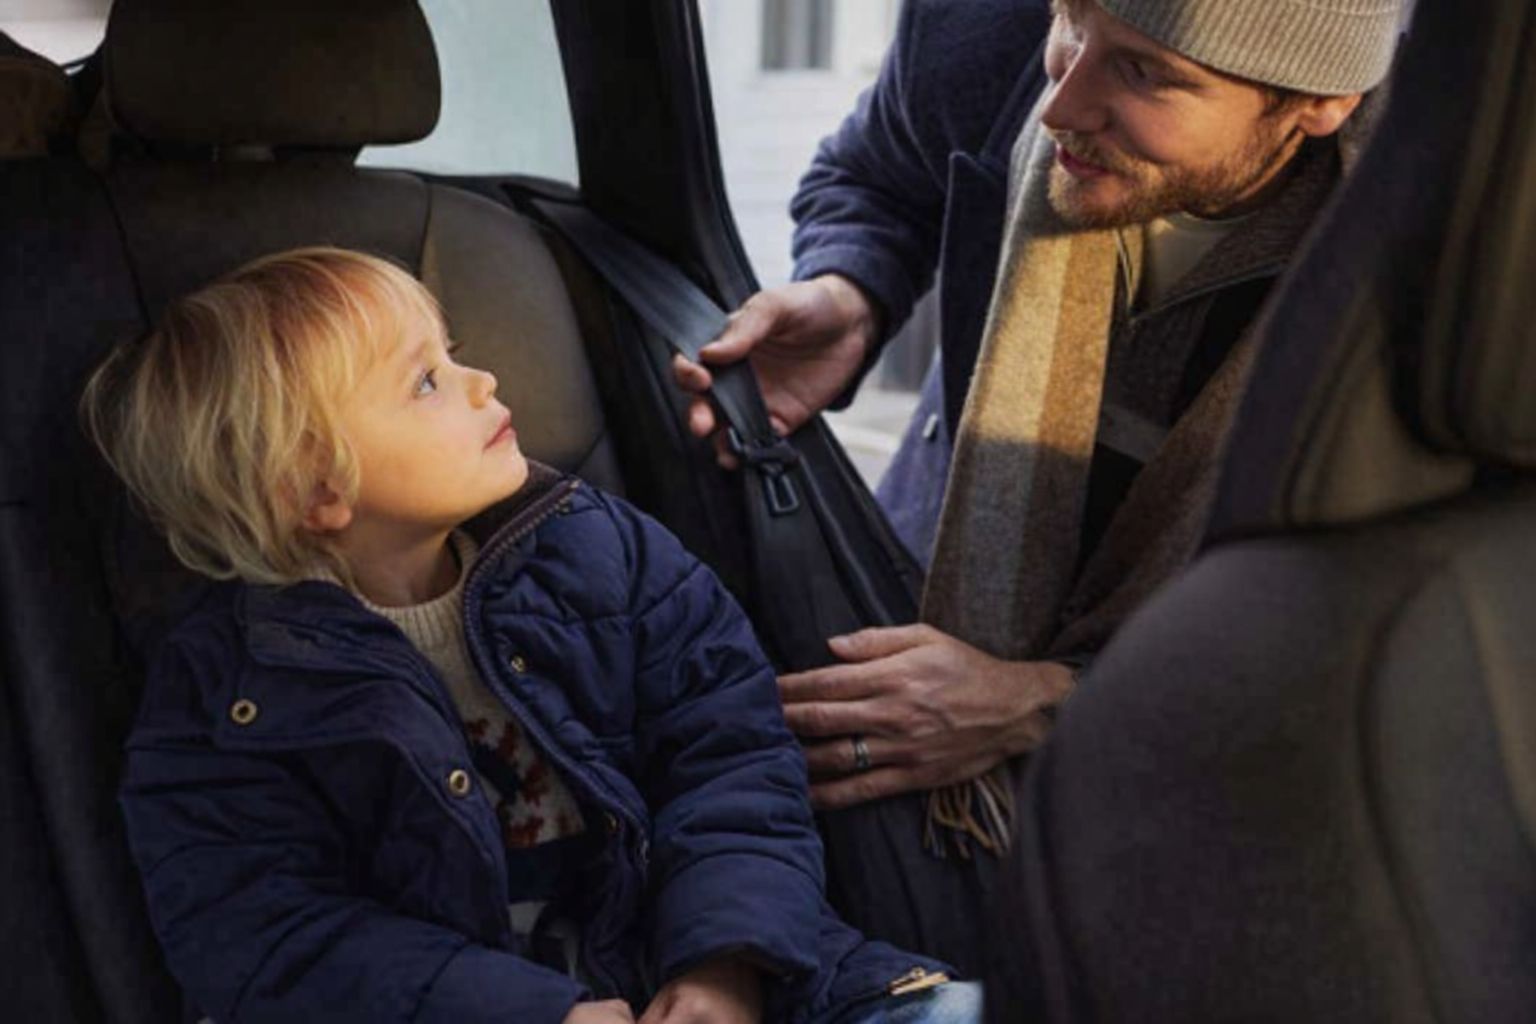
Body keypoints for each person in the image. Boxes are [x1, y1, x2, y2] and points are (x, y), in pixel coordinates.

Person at [675, 0, 1405, 974]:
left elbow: (1379, 642)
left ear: (1317, 103)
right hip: (921, 595)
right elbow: (876, 179)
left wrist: (1053, 701)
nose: (1059, 103)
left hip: (1210, 791)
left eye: (1144, 73)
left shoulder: (1441, 264)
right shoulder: (982, 28)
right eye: (1071, 20)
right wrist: (853, 291)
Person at [80, 248, 982, 1024]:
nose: (483, 382)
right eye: (426, 382)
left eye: (454, 355)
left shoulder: (606, 555)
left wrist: (727, 962)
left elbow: (733, 764)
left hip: (723, 973)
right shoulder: (226, 695)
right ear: (314, 491)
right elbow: (265, 931)